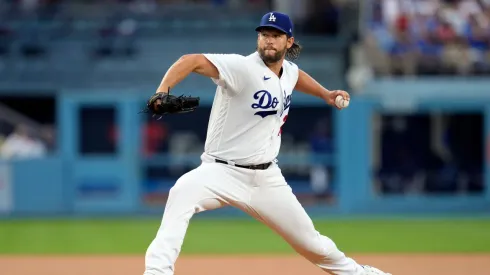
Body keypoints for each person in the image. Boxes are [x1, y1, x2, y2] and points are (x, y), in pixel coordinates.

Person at [144, 11, 392, 275]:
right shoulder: (242, 68)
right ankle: (157, 271)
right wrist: (162, 91)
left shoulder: (288, 72)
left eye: (276, 36)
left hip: (266, 178)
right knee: (181, 193)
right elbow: (190, 60)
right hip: (220, 171)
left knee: (312, 244)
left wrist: (326, 94)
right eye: (264, 35)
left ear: (289, 41)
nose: (269, 41)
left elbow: (296, 77)